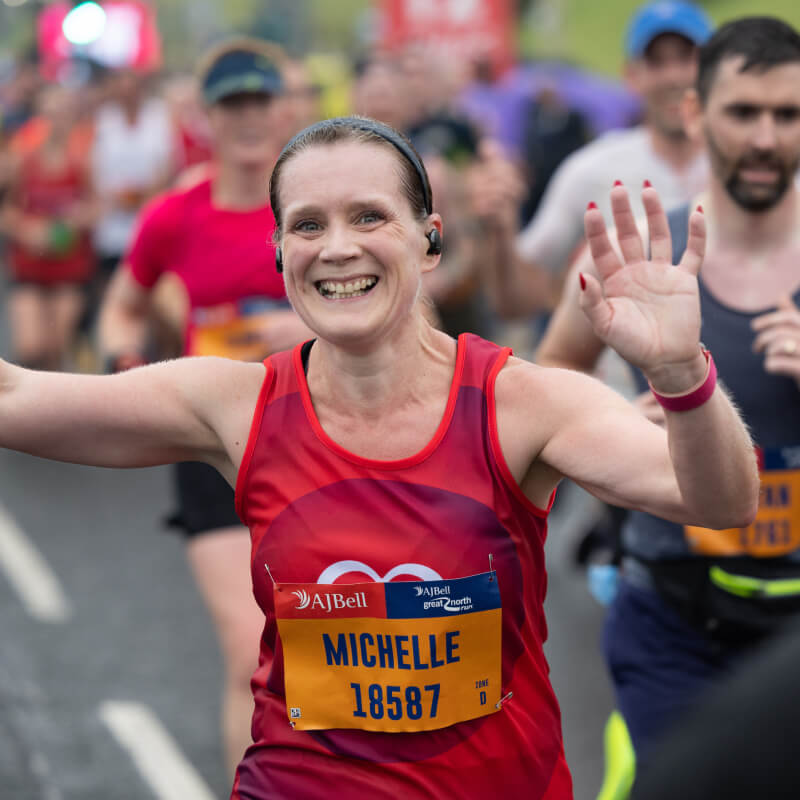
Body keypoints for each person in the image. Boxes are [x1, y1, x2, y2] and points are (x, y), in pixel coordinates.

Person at [0, 115, 757, 798]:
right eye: (306, 225)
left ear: (428, 237)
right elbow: (15, 398)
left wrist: (681, 372)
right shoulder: (235, 404)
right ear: (278, 250)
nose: (337, 247)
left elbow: (721, 501)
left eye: (369, 215)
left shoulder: (519, 403)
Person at [536, 14, 800, 784]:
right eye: (742, 112)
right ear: (694, 111)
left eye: (788, 115)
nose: (765, 138)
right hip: (675, 621)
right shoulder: (639, 258)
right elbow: (551, 376)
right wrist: (614, 419)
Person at [97, 38, 311, 776]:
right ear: (205, 117)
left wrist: (307, 327)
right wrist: (125, 362)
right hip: (214, 451)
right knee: (255, 649)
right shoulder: (176, 213)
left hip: (319, 446)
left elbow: (408, 308)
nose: (249, 118)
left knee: (328, 649)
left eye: (261, 101)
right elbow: (120, 310)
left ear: (286, 108)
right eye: (233, 105)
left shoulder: (317, 203)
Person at [482, 0, 712, 317]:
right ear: (631, 75)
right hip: (618, 363)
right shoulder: (591, 169)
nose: (673, 76)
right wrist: (502, 230)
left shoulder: (753, 168)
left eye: (688, 58)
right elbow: (516, 304)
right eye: (656, 62)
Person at [0, 83, 97, 370]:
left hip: (68, 264)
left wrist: (79, 217)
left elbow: (96, 208)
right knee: (30, 347)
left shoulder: (81, 162)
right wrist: (27, 230)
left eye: (63, 113)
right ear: (41, 118)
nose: (57, 121)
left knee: (56, 346)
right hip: (29, 263)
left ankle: (51, 412)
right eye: (51, 113)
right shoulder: (23, 160)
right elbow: (6, 211)